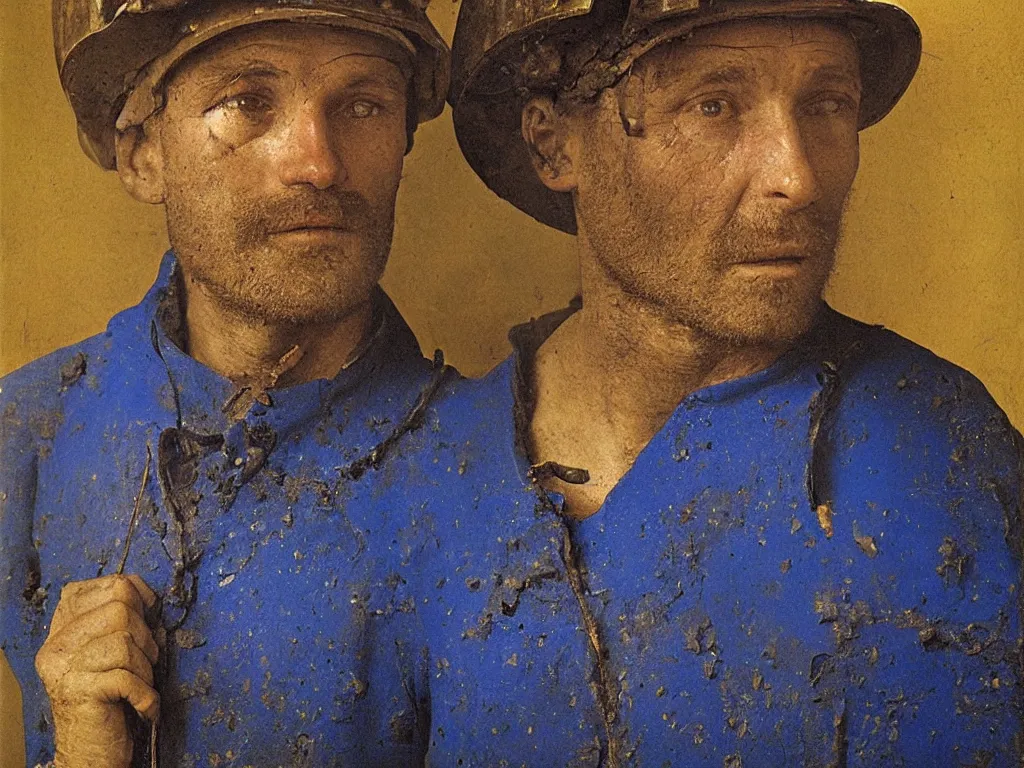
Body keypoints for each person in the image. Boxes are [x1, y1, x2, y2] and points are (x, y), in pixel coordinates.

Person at [409, 0, 1023, 764]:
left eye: (827, 104)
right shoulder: (423, 470)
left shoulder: (945, 453)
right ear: (553, 143)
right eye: (714, 105)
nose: (796, 176)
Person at [0, 1, 452, 765]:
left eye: (363, 104)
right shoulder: (26, 438)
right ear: (143, 153)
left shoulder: (508, 466)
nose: (318, 162)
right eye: (247, 101)